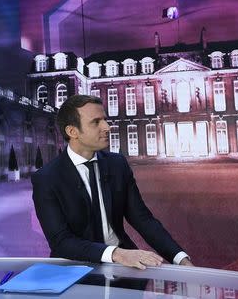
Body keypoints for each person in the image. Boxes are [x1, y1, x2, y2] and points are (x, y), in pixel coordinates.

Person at [31, 94, 193, 269]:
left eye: (105, 120)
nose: (107, 127)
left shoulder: (117, 164)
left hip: (124, 266)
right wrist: (116, 254)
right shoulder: (46, 178)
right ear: (72, 131)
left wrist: (181, 259)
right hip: (75, 268)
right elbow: (61, 241)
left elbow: (142, 219)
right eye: (96, 122)